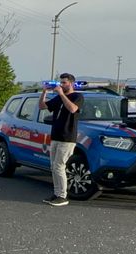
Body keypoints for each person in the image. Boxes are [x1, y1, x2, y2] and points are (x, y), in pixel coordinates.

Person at [38, 73, 84, 206]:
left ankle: (63, 196)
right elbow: (42, 106)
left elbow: (73, 108)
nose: (61, 85)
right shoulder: (58, 98)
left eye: (64, 83)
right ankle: (56, 193)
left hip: (67, 137)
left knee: (59, 166)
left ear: (71, 83)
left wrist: (62, 95)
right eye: (61, 82)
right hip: (56, 136)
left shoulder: (77, 97)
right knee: (54, 166)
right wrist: (44, 92)